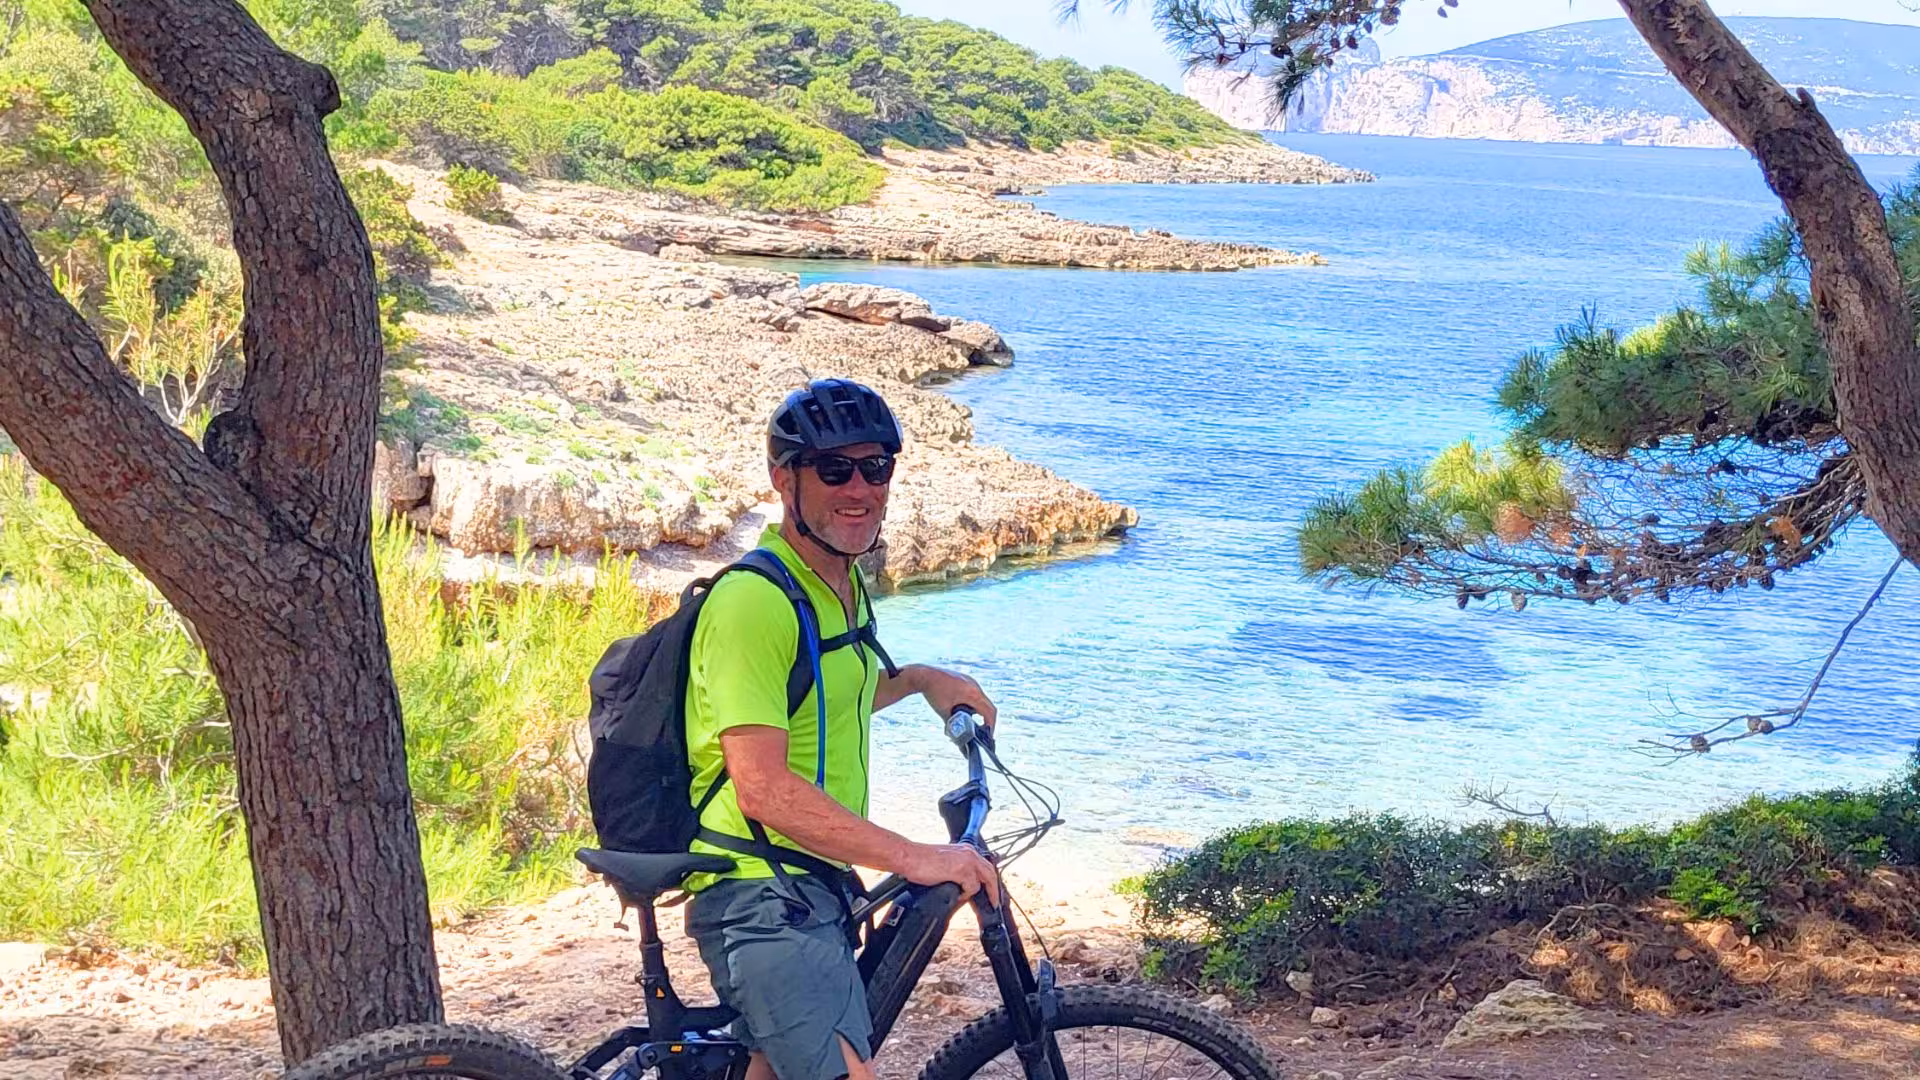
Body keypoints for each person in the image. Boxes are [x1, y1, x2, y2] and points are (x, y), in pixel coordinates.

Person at [682, 378, 1002, 1080]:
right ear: (782, 478)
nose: (859, 488)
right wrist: (912, 855)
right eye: (834, 469)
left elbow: (825, 696)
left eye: (875, 467)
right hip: (759, 892)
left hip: (810, 881)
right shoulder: (754, 604)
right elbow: (762, 788)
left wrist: (918, 679)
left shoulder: (838, 582)